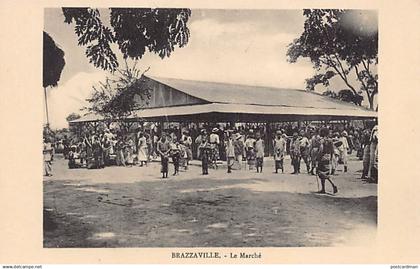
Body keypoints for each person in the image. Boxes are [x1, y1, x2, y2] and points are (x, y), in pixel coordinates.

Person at [316, 127, 338, 194]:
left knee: (322, 173)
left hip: (322, 157)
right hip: (328, 157)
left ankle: (333, 185)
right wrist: (331, 158)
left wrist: (317, 157)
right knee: (325, 173)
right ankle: (323, 189)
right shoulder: (330, 140)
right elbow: (332, 151)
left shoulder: (322, 140)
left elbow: (321, 149)